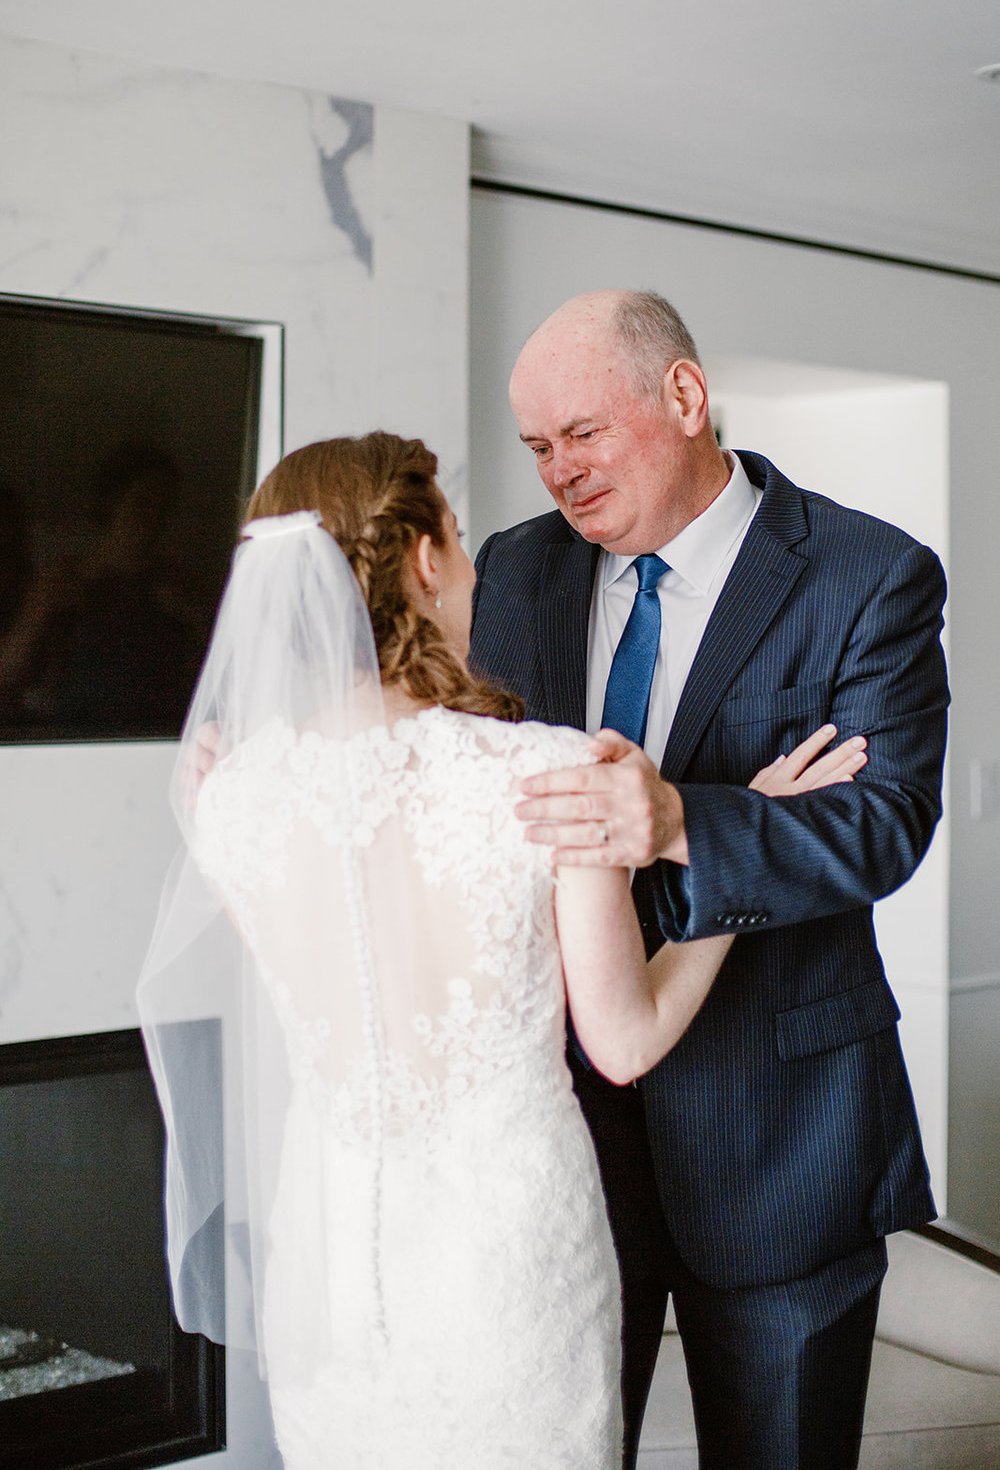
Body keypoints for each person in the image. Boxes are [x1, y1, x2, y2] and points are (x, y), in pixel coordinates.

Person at [139, 431, 865, 1470]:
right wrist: (734, 854)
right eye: (463, 538)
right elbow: (623, 1040)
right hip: (504, 1248)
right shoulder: (548, 774)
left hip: (334, 1249)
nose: (477, 568)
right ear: (425, 560)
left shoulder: (232, 800)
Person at [470, 289, 949, 1470]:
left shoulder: (866, 572)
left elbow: (886, 825)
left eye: (582, 433)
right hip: (560, 1144)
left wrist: (686, 817)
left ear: (683, 396)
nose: (559, 476)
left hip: (785, 1139)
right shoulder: (514, 571)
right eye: (536, 449)